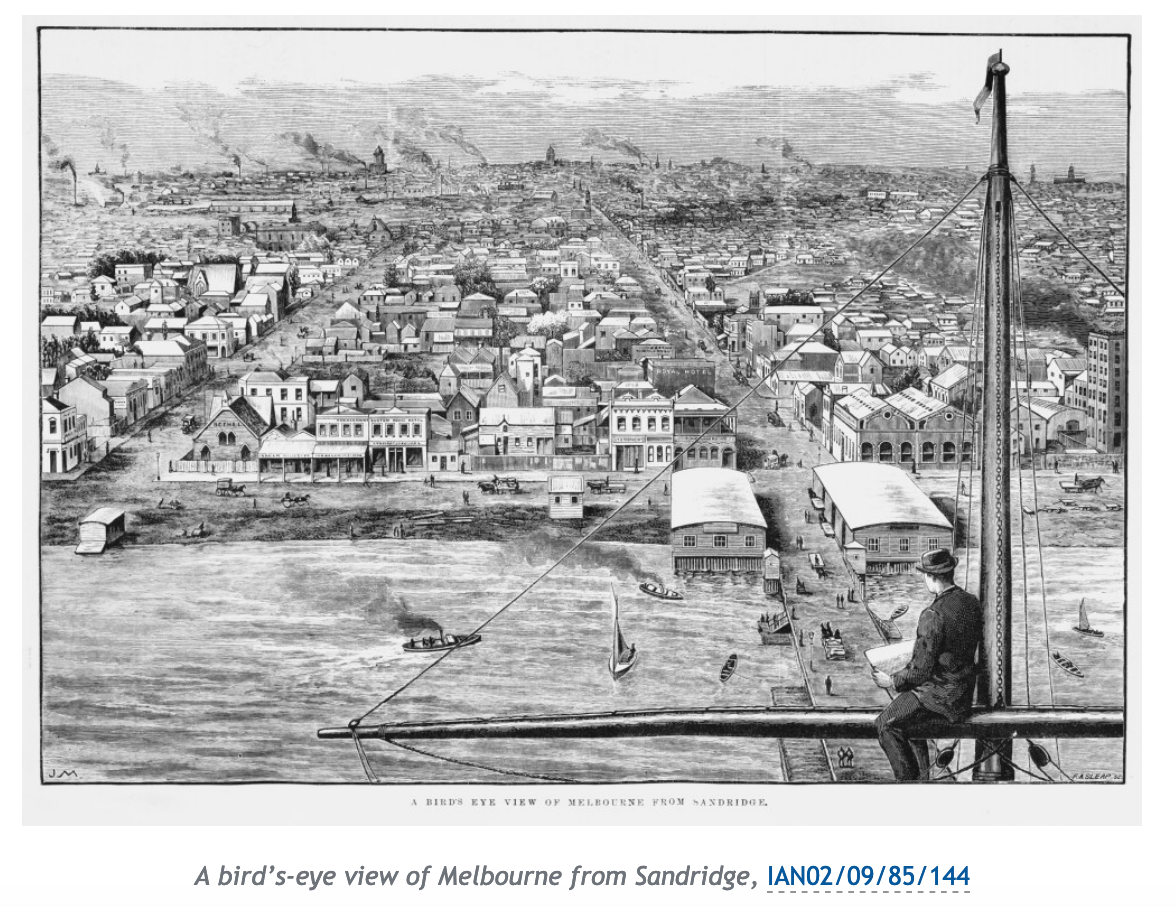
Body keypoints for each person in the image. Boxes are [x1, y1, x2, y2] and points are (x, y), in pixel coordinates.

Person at [872, 548, 982, 782]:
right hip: (962, 696)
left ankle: (909, 784)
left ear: (931, 577)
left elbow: (920, 670)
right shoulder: (971, 603)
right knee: (908, 724)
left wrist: (891, 681)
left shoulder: (932, 614)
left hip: (936, 697)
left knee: (885, 724)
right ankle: (922, 777)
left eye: (925, 576)